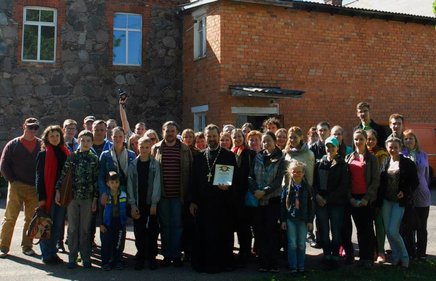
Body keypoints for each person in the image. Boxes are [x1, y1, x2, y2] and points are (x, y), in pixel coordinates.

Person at [189, 124, 237, 273]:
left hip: (221, 203)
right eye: (209, 136)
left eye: (214, 136)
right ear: (205, 137)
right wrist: (192, 201)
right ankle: (203, 264)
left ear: (219, 136)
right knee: (203, 235)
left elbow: (236, 179)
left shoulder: (228, 155)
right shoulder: (199, 157)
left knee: (220, 235)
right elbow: (193, 181)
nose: (211, 139)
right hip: (203, 204)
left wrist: (229, 187)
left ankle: (221, 264)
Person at [55, 130, 99, 269]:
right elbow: (63, 175)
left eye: (88, 141)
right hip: (73, 198)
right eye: (83, 140)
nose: (85, 143)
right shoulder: (72, 157)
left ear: (91, 143)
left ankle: (85, 257)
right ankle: (72, 258)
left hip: (87, 198)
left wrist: (95, 199)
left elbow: (96, 180)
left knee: (85, 230)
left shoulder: (94, 159)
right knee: (73, 229)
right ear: (78, 141)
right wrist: (58, 190)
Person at [152, 121, 192, 267]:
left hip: (178, 195)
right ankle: (166, 255)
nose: (170, 133)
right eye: (167, 131)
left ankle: (176, 255)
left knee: (177, 225)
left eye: (172, 131)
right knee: (164, 226)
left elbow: (190, 171)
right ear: (162, 132)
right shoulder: (156, 148)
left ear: (176, 132)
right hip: (162, 195)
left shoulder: (184, 149)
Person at [0, 117, 41, 258]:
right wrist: (12, 180)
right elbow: (4, 164)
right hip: (17, 186)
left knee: (31, 219)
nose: (33, 130)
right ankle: (3, 246)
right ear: (24, 126)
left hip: (34, 188)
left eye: (36, 128)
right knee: (10, 217)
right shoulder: (13, 144)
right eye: (30, 127)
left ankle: (27, 246)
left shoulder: (41, 145)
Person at [248, 132, 287, 272]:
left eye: (269, 141)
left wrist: (264, 191)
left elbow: (279, 180)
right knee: (260, 231)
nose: (266, 144)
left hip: (273, 200)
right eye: (264, 141)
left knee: (272, 232)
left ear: (275, 141)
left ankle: (273, 263)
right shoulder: (258, 157)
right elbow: (250, 176)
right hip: (258, 200)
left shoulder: (281, 158)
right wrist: (255, 191)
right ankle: (263, 262)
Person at [380, 136, 418, 268]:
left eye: (395, 147)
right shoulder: (385, 162)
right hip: (386, 201)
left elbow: (415, 182)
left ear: (400, 148)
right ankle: (396, 256)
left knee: (393, 230)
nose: (393, 150)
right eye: (390, 147)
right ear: (387, 148)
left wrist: (405, 192)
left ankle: (405, 256)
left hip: (399, 202)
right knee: (387, 229)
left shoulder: (407, 163)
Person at [344, 129, 379, 268]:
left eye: (361, 139)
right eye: (356, 139)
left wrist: (367, 198)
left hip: (367, 198)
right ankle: (362, 258)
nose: (358, 142)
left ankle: (368, 258)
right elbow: (346, 181)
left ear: (366, 140)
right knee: (359, 229)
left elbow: (375, 181)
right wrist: (350, 198)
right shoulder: (349, 157)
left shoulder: (372, 158)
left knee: (368, 229)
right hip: (353, 198)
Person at [36, 125, 70, 265]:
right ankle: (46, 254)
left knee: (57, 225)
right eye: (52, 136)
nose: (55, 138)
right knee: (46, 225)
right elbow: (39, 177)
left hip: (62, 195)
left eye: (57, 136)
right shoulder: (43, 155)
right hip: (49, 196)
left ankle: (53, 252)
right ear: (47, 138)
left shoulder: (66, 153)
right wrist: (41, 198)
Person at [312, 136, 348, 270]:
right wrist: (317, 196)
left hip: (336, 203)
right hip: (321, 202)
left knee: (336, 230)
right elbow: (314, 183)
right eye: (328, 146)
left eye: (333, 146)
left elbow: (343, 186)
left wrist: (328, 199)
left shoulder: (342, 164)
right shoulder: (319, 163)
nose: (330, 149)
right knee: (324, 230)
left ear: (337, 148)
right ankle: (326, 255)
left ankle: (335, 256)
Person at [127, 136, 161, 270]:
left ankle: (151, 257)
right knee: (139, 231)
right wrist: (133, 204)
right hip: (138, 203)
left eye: (147, 147)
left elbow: (157, 184)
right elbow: (130, 184)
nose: (144, 150)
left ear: (150, 148)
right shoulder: (133, 165)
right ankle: (141, 256)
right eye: (142, 147)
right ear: (137, 147)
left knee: (152, 231)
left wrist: (154, 203)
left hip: (150, 203)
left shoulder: (155, 164)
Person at [402, 129, 431, 261]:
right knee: (408, 226)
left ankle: (422, 253)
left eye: (411, 138)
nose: (408, 141)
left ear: (415, 140)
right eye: (406, 139)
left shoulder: (423, 155)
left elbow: (426, 175)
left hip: (422, 194)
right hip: (408, 193)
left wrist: (425, 187)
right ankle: (411, 253)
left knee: (421, 225)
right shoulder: (402, 154)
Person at [281, 160, 314, 275]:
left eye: (299, 172)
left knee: (301, 244)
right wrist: (283, 220)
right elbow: (283, 206)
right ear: (290, 173)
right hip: (291, 219)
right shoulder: (287, 188)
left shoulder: (307, 188)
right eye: (294, 171)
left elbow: (311, 206)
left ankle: (301, 266)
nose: (297, 174)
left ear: (303, 173)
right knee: (292, 244)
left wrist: (310, 221)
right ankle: (293, 266)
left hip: (303, 220)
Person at [231, 128, 256, 265]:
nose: (237, 139)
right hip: (234, 195)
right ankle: (241, 250)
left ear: (243, 137)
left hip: (245, 194)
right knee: (238, 225)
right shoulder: (230, 153)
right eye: (235, 137)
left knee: (245, 225)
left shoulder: (250, 154)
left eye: (239, 136)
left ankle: (246, 251)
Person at [366, 129, 389, 263]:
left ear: (377, 140)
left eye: (372, 139)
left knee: (379, 224)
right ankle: (371, 250)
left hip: (378, 193)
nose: (370, 141)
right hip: (364, 194)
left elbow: (381, 175)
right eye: (368, 139)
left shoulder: (382, 154)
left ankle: (381, 250)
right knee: (368, 225)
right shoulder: (361, 153)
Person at [99, 171, 127, 271]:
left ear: (119, 183)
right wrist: (101, 224)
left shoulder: (123, 195)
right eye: (112, 182)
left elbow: (126, 209)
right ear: (107, 183)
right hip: (107, 223)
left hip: (119, 223)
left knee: (119, 243)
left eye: (116, 182)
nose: (114, 185)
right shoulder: (104, 196)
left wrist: (125, 222)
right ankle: (106, 262)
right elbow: (100, 210)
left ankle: (118, 261)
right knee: (106, 243)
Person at [98, 127, 136, 197]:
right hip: (109, 193)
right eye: (115, 136)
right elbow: (101, 176)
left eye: (120, 136)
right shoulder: (105, 155)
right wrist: (103, 193)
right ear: (111, 137)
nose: (118, 139)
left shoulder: (131, 155)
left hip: (127, 193)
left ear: (124, 137)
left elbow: (134, 177)